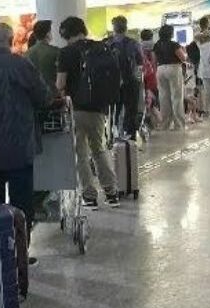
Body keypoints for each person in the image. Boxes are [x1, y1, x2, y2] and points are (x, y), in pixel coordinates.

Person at [0, 23, 50, 235]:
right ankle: (21, 249)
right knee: (21, 208)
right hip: (20, 148)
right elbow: (42, 97)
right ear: (12, 40)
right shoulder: (21, 65)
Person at [56, 16, 120, 209]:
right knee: (99, 149)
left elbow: (60, 83)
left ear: (65, 34)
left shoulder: (66, 52)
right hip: (98, 109)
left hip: (76, 109)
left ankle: (90, 197)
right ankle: (111, 193)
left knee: (81, 154)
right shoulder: (101, 48)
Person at [107, 15, 143, 138]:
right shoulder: (133, 43)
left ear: (113, 28)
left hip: (112, 82)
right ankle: (130, 136)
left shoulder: (107, 43)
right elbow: (140, 62)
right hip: (130, 80)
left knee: (113, 111)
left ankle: (112, 135)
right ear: (126, 27)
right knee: (131, 109)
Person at [153, 24, 188, 130]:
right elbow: (183, 58)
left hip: (160, 69)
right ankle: (179, 124)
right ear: (170, 33)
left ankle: (165, 124)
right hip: (173, 68)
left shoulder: (157, 45)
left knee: (163, 97)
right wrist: (185, 52)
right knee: (177, 97)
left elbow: (154, 60)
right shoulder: (174, 44)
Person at [25, 20, 60, 96]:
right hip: (52, 93)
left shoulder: (26, 53)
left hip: (34, 94)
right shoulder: (55, 51)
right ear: (48, 34)